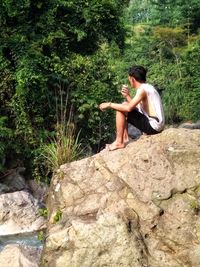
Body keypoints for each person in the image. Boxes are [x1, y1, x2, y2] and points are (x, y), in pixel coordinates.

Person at [99, 65, 165, 151]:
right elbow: (137, 107)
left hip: (154, 127)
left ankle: (119, 141)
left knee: (121, 108)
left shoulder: (142, 90)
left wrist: (109, 104)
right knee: (124, 104)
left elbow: (129, 109)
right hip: (157, 125)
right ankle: (125, 139)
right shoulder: (147, 87)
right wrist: (127, 96)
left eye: (129, 79)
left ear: (132, 79)